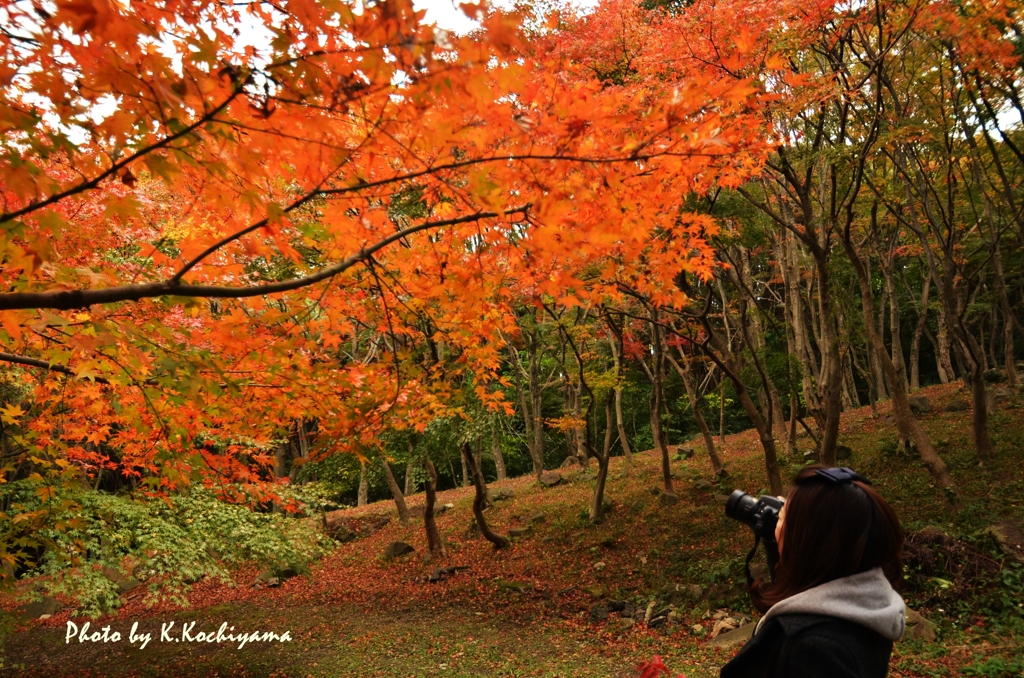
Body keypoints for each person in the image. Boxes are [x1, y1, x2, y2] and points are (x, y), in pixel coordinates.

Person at [721, 464, 905, 678]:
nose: (776, 524)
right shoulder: (870, 610)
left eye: (783, 517)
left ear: (807, 542)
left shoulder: (813, 649)